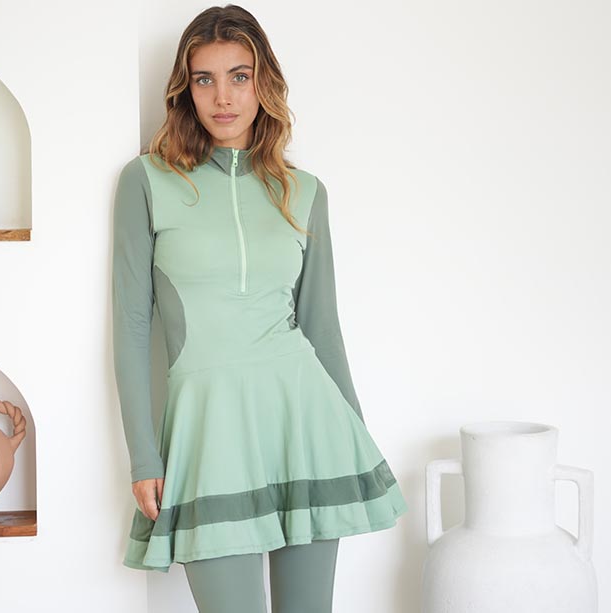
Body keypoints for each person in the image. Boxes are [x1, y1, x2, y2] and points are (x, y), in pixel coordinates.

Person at [112, 5, 407, 612]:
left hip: (304, 422)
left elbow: (322, 325)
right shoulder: (147, 181)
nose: (223, 96)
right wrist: (143, 453)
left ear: (264, 83)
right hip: (208, 429)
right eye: (205, 79)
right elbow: (132, 325)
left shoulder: (304, 192)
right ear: (184, 88)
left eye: (239, 76)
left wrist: (352, 433)